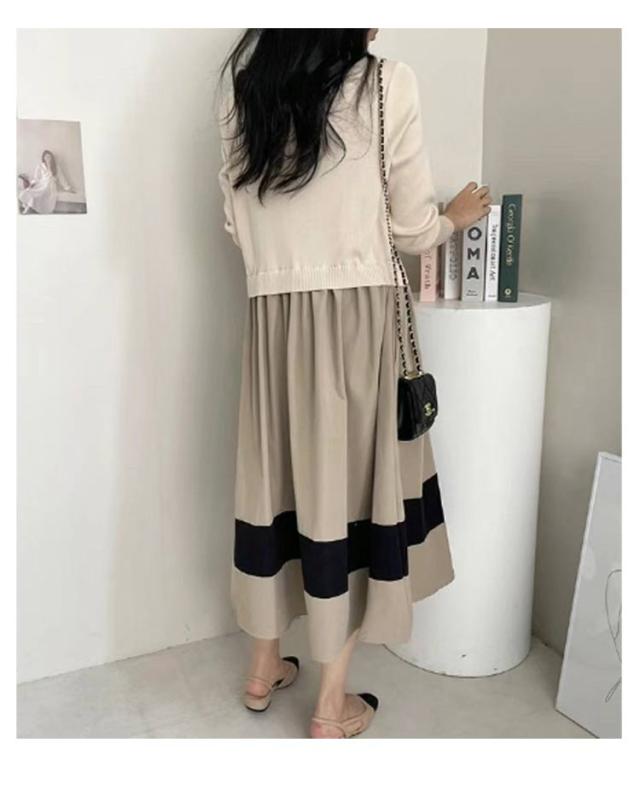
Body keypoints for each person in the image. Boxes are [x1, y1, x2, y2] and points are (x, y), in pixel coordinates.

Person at [216, 28, 491, 738]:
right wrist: (455, 218)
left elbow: (234, 223)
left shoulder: (244, 90)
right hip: (357, 317)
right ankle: (330, 706)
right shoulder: (385, 81)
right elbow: (409, 228)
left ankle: (262, 669)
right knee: (342, 495)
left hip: (272, 318)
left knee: (277, 485)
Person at [18, 149, 73, 214]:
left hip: (51, 185)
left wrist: (68, 188)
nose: (48, 158)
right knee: (28, 192)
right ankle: (27, 208)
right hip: (42, 183)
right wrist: (33, 183)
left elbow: (61, 177)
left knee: (40, 194)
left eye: (49, 157)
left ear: (52, 158)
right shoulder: (40, 165)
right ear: (43, 158)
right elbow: (36, 177)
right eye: (46, 157)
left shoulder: (55, 166)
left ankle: (28, 210)